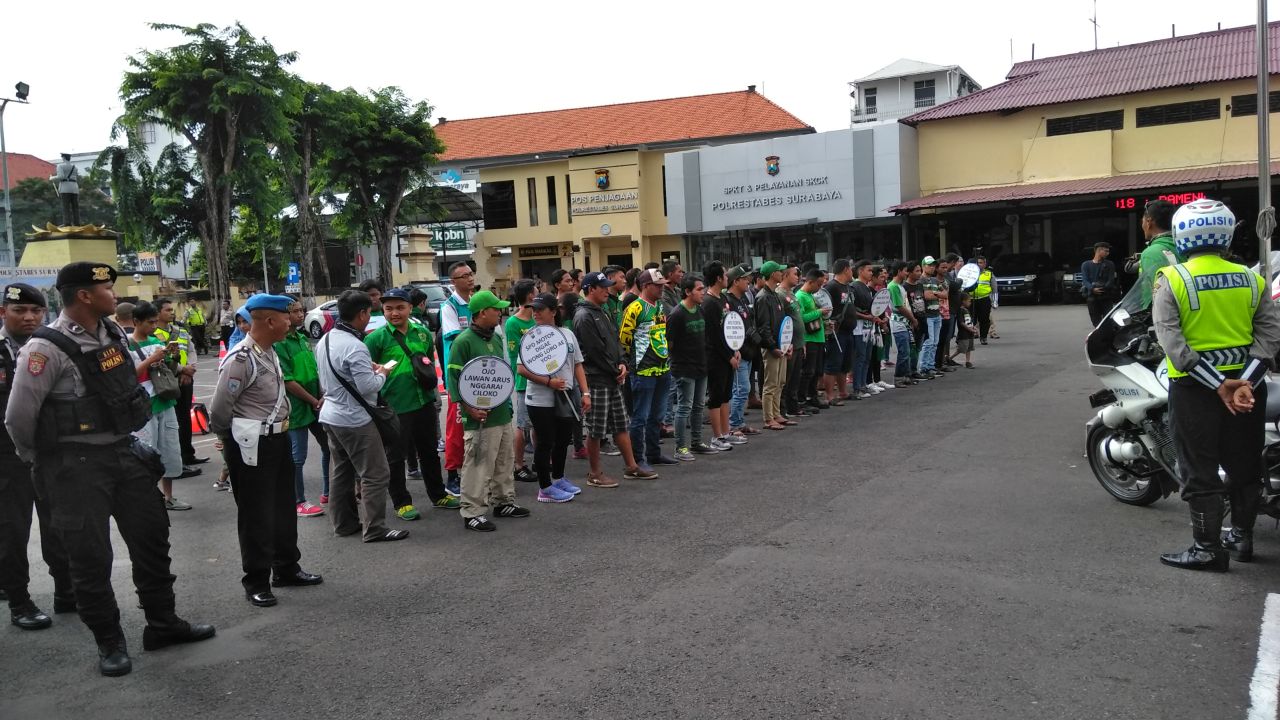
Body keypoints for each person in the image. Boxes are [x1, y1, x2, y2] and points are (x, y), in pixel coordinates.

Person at [4, 262, 215, 677]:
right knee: (90, 558)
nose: (114, 293)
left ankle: (163, 624)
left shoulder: (112, 332)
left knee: (151, 541)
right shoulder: (43, 348)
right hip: (75, 466)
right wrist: (40, 464)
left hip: (124, 453)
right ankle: (109, 642)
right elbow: (18, 419)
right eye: (106, 287)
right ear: (84, 295)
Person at [1150, 199, 1280, 572]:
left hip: (1195, 393)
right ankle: (1241, 537)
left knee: (1199, 468)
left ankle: (1207, 548)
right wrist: (1243, 384)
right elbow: (1270, 338)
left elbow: (1174, 348)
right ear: (1225, 236)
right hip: (1248, 392)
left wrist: (1219, 384)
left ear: (1181, 236)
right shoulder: (1254, 280)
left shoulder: (1172, 280)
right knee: (1244, 465)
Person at [210, 294, 324, 606]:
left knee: (283, 508)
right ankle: (256, 580)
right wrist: (233, 442)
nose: (292, 320)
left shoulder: (269, 351)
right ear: (270, 321)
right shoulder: (240, 359)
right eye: (286, 316)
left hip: (277, 439)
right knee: (256, 515)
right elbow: (220, 411)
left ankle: (286, 568)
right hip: (251, 445)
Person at [0, 282, 73, 631]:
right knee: (11, 533)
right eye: (20, 311)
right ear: (3, 313)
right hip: (5, 458)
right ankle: (19, 600)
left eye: (36, 311)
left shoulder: (51, 346)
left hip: (48, 452)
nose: (29, 317)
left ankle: (66, 590)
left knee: (58, 525)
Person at [315, 290, 408, 544]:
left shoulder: (325, 339)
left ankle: (344, 524)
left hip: (331, 415)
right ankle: (375, 528)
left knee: (342, 471)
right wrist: (383, 373)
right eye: (370, 311)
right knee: (375, 473)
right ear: (363, 314)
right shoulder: (355, 346)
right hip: (354, 419)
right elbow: (369, 387)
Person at [365, 287, 458, 520]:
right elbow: (368, 367)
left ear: (409, 308)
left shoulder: (423, 332)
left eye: (399, 308)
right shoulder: (376, 338)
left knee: (429, 451)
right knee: (396, 456)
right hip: (395, 405)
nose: (394, 313)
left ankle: (438, 495)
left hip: (424, 401)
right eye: (389, 309)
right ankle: (401, 502)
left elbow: (427, 358)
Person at [449, 290, 528, 532]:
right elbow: (455, 379)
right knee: (478, 462)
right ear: (482, 313)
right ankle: (472, 511)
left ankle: (503, 501)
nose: (500, 314)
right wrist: (468, 407)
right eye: (496, 310)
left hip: (501, 413)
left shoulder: (494, 338)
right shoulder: (463, 341)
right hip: (479, 416)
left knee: (504, 459)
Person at [572, 271, 654, 487]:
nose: (607, 290)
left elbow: (616, 342)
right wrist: (615, 369)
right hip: (597, 380)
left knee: (621, 424)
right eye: (603, 286)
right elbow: (593, 351)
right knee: (596, 429)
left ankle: (632, 466)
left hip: (611, 378)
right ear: (591, 289)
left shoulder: (602, 311)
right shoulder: (584, 316)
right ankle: (594, 473)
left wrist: (623, 364)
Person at [517, 293, 589, 502]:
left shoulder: (567, 334)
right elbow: (521, 369)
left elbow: (577, 364)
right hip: (539, 399)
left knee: (562, 440)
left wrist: (585, 392)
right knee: (545, 442)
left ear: (554, 312)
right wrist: (548, 383)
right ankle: (545, 487)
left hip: (566, 395)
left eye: (540, 309)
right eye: (534, 309)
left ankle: (558, 478)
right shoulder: (530, 337)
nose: (536, 313)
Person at [128, 302, 191, 511]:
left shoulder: (156, 341)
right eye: (150, 322)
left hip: (165, 401)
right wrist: (152, 360)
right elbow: (129, 377)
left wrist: (170, 356)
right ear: (136, 321)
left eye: (156, 321)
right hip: (144, 406)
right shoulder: (126, 345)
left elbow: (168, 369)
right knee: (147, 453)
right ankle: (149, 499)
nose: (154, 326)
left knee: (170, 450)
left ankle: (169, 496)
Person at [276, 298, 329, 517]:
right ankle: (299, 501)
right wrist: (312, 400)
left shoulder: (301, 338)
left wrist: (321, 394)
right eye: (295, 311)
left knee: (329, 447)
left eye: (301, 310)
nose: (300, 314)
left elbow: (314, 371)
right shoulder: (280, 344)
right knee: (298, 456)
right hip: (297, 406)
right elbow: (288, 381)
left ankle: (328, 491)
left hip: (316, 403)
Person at [620, 269, 676, 468]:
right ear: (645, 286)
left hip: (663, 368)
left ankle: (654, 453)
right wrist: (631, 364)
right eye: (658, 285)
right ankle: (637, 459)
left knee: (657, 416)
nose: (662, 288)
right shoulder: (634, 308)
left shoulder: (660, 306)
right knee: (640, 417)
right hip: (643, 371)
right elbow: (624, 340)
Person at [667, 273, 715, 461]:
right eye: (699, 289)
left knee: (698, 406)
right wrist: (678, 365)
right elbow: (669, 344)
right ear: (687, 292)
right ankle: (680, 447)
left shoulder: (700, 310)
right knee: (684, 407)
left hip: (701, 366)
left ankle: (696, 442)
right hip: (684, 368)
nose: (703, 292)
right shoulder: (677, 314)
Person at [154, 297, 205, 468]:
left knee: (185, 418)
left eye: (172, 309)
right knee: (172, 420)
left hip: (186, 378)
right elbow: (162, 358)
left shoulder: (180, 331)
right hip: (169, 379)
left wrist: (190, 369)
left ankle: (188, 454)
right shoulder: (154, 334)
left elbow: (191, 350)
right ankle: (177, 459)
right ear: (158, 313)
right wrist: (181, 369)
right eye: (167, 310)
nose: (172, 312)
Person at [440, 261, 477, 495]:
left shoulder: (477, 303)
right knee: (457, 427)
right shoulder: (449, 307)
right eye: (463, 276)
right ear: (453, 282)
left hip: (479, 374)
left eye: (471, 274)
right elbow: (457, 339)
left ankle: (475, 473)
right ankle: (452, 476)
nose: (469, 279)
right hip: (459, 375)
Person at [700, 262, 741, 450]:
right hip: (715, 357)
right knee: (716, 396)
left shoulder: (723, 298)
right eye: (725, 274)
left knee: (726, 395)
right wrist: (728, 356)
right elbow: (713, 337)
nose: (727, 277)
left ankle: (726, 432)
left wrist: (736, 349)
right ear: (718, 278)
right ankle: (716, 437)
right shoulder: (708, 303)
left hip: (728, 354)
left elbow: (730, 328)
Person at [505, 280, 539, 484]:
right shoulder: (513, 323)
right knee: (522, 426)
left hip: (542, 379)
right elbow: (514, 353)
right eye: (537, 292)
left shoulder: (537, 319)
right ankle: (518, 465)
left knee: (538, 425)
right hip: (524, 380)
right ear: (530, 297)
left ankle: (539, 460)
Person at [725, 265, 760, 437]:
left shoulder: (743, 299)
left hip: (748, 351)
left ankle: (739, 422)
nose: (749, 281)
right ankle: (733, 425)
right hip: (738, 353)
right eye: (745, 278)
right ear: (736, 281)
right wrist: (733, 351)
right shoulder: (728, 301)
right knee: (741, 389)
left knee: (742, 390)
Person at [753, 261, 787, 430]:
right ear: (773, 274)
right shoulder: (763, 297)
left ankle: (776, 413)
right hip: (771, 347)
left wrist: (785, 345)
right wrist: (773, 347)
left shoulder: (774, 294)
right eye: (779, 271)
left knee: (780, 382)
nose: (782, 273)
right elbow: (763, 327)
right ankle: (768, 418)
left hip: (780, 346)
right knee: (770, 383)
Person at [1135, 199, 1185, 308]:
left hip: (1162, 317)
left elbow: (1158, 296)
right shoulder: (1184, 246)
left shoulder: (1152, 253)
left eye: (1142, 221)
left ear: (1149, 222)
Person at [795, 267, 829, 411]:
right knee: (808, 371)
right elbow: (801, 318)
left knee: (817, 370)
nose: (819, 288)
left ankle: (812, 396)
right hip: (809, 338)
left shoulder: (809, 296)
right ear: (810, 282)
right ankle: (803, 399)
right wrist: (819, 312)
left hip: (818, 337)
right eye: (818, 284)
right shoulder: (801, 296)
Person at [822, 259, 854, 405]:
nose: (852, 272)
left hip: (848, 331)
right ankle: (829, 395)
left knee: (845, 363)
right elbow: (823, 305)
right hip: (836, 332)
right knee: (833, 363)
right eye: (851, 269)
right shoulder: (831, 287)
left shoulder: (848, 287)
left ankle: (843, 392)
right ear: (846, 269)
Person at [888, 261, 919, 388]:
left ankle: (906, 375)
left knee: (908, 350)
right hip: (898, 323)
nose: (907, 273)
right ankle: (899, 377)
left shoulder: (900, 286)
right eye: (905, 271)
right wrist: (913, 319)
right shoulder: (893, 286)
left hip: (904, 323)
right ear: (899, 271)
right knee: (903, 351)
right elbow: (899, 306)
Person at [1081, 242, 1121, 327]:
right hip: (1092, 297)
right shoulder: (1086, 265)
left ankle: (1107, 336)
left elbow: (1111, 280)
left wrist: (1102, 289)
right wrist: (1092, 289)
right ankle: (1100, 337)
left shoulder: (1110, 264)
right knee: (1096, 321)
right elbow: (1085, 280)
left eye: (1108, 251)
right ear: (1099, 251)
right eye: (1106, 251)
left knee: (1108, 320)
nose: (1108, 253)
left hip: (1106, 297)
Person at [918, 257, 943, 380]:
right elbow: (927, 296)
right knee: (928, 343)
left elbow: (946, 294)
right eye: (929, 265)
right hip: (927, 315)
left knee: (934, 343)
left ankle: (930, 366)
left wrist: (936, 294)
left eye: (933, 265)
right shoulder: (921, 280)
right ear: (923, 266)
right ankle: (923, 368)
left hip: (937, 314)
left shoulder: (934, 280)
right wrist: (938, 294)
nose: (932, 267)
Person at [950, 294, 979, 369]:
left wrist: (974, 328)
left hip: (970, 333)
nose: (970, 303)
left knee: (969, 348)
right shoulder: (960, 310)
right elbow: (962, 323)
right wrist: (970, 329)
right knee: (961, 349)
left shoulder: (967, 310)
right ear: (963, 301)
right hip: (963, 334)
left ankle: (968, 362)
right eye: (969, 301)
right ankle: (950, 358)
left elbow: (969, 322)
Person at [971, 257, 995, 345]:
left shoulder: (989, 274)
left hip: (984, 299)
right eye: (978, 263)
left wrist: (995, 301)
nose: (979, 264)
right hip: (971, 299)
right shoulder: (970, 273)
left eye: (981, 263)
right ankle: (970, 337)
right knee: (970, 319)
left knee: (984, 319)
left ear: (985, 264)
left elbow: (994, 288)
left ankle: (983, 337)